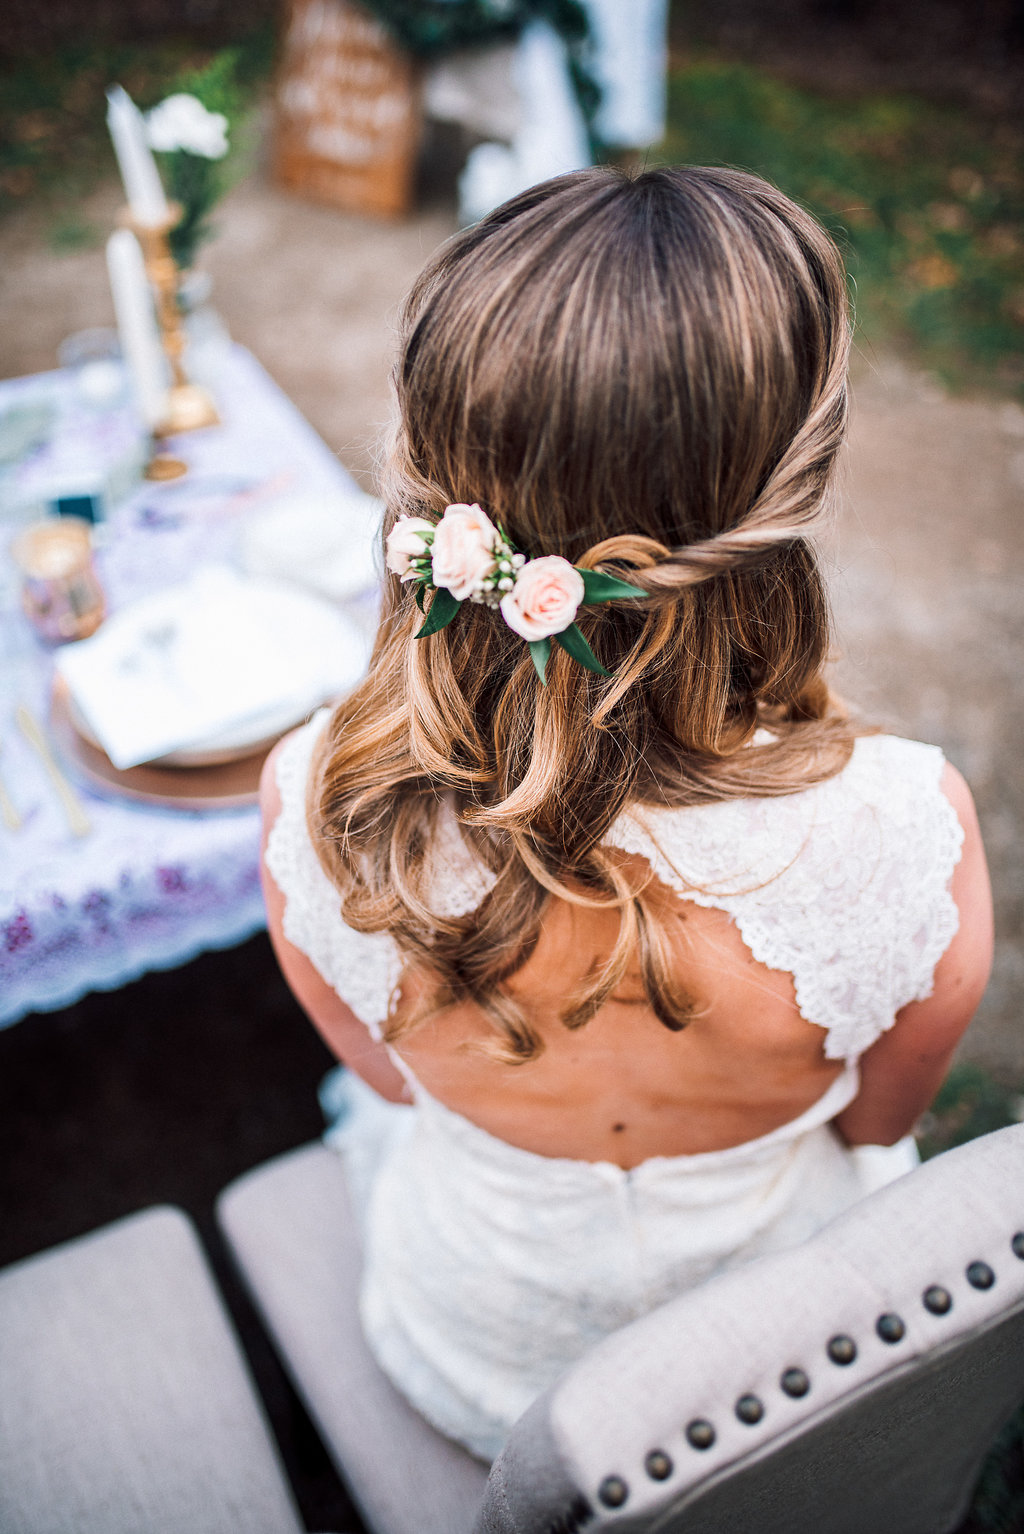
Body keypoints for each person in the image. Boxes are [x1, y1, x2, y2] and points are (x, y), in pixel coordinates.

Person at [259, 166, 993, 1462]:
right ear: (785, 495)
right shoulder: (908, 834)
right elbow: (876, 1123)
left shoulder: (318, 800)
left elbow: (389, 1083)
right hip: (769, 1379)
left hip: (467, 1356)